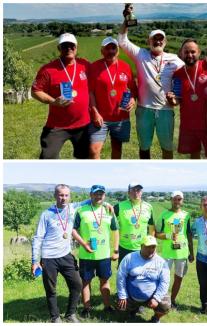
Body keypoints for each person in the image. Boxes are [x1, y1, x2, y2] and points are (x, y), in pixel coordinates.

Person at [118, 7, 184, 159]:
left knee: (167, 147)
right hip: (144, 109)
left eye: (161, 39)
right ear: (149, 41)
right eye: (155, 39)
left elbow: (191, 69)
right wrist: (126, 21)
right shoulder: (140, 54)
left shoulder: (174, 59)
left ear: (165, 42)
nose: (158, 41)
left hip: (165, 110)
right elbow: (122, 40)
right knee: (144, 146)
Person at [31, 33, 91, 159]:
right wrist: (54, 101)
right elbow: (35, 91)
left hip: (83, 125)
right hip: (57, 126)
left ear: (76, 47)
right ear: (59, 48)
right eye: (65, 46)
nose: (69, 48)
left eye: (72, 46)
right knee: (48, 158)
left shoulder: (85, 65)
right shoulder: (48, 70)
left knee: (85, 158)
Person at [31, 184, 83, 323]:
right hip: (49, 258)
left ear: (69, 197)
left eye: (66, 195)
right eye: (60, 195)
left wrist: (107, 204)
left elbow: (92, 200)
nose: (63, 198)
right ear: (55, 196)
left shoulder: (72, 208)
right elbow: (37, 238)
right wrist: (35, 261)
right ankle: (55, 317)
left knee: (77, 285)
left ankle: (70, 314)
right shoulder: (46, 214)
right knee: (51, 289)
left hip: (66, 256)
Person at [72, 185, 119, 318]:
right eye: (96, 194)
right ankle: (87, 308)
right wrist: (83, 244)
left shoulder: (109, 210)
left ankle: (107, 306)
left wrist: (115, 250)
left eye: (101, 194)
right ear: (90, 195)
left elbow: (116, 231)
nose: (99, 196)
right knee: (86, 281)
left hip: (104, 255)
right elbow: (73, 230)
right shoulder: (81, 210)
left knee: (105, 281)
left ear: (104, 195)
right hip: (86, 254)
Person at [88, 37, 137, 159]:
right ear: (102, 51)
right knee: (94, 150)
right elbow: (90, 92)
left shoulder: (126, 67)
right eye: (107, 48)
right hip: (100, 118)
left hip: (120, 117)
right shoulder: (94, 67)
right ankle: (96, 178)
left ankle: (114, 175)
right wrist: (94, 112)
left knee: (117, 148)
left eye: (113, 48)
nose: (110, 51)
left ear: (118, 50)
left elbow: (133, 88)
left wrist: (132, 99)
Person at [116, 235, 171, 323]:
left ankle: (156, 319)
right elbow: (120, 277)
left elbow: (165, 282)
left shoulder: (161, 262)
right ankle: (133, 309)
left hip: (152, 297)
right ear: (141, 246)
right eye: (148, 247)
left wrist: (156, 298)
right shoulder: (129, 258)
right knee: (120, 308)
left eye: (153, 247)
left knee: (166, 305)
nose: (151, 250)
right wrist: (122, 295)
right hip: (131, 296)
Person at [155, 191, 194, 309]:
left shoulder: (186, 215)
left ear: (182, 201)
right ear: (171, 199)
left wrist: (192, 253)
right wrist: (168, 236)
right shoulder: (163, 215)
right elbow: (156, 233)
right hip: (167, 253)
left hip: (182, 253)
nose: (177, 201)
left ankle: (172, 300)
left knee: (179, 278)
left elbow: (189, 234)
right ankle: (160, 299)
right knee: (163, 277)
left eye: (179, 199)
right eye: (175, 199)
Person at [114, 182, 155, 265]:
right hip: (124, 247)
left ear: (141, 192)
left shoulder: (148, 207)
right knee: (123, 275)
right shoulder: (119, 206)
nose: (136, 192)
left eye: (138, 190)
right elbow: (106, 216)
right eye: (133, 190)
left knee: (141, 274)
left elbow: (152, 227)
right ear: (128, 192)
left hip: (143, 247)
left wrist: (152, 246)